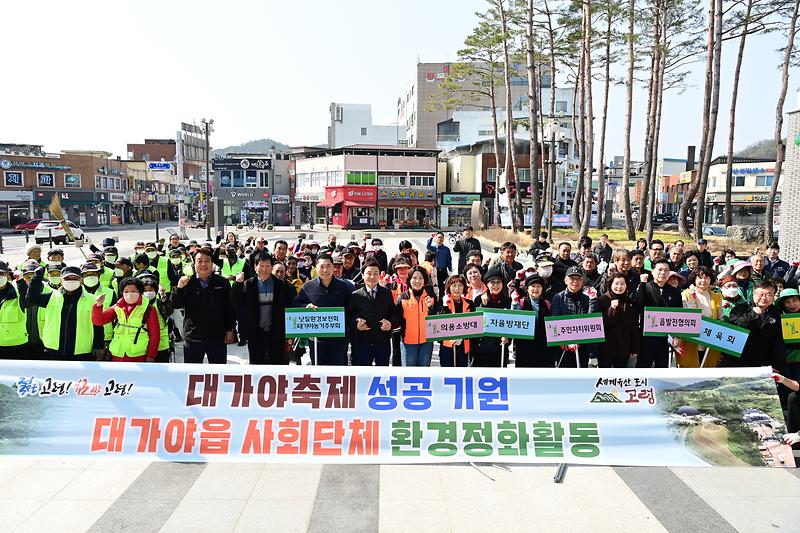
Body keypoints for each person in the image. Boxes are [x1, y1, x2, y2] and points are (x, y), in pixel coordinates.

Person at [22, 265, 103, 361]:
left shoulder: (92, 300)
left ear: (81, 280)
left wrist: (98, 347)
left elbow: (98, 325)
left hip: (81, 352)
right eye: (67, 278)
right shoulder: (51, 297)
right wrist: (36, 278)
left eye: (75, 278)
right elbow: (31, 299)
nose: (71, 280)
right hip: (53, 351)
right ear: (61, 280)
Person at [170, 248, 236, 364]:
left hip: (217, 337)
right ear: (194, 263)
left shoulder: (222, 283)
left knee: (218, 373)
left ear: (212, 263)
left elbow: (229, 309)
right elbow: (175, 304)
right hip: (193, 337)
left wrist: (230, 330)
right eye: (199, 261)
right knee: (193, 373)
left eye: (207, 261)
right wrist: (179, 289)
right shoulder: (187, 283)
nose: (203, 264)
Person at [231, 252, 294, 365]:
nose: (264, 269)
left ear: (271, 267)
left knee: (277, 365)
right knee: (256, 365)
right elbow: (235, 302)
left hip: (276, 333)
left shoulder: (282, 286)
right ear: (255, 267)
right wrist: (237, 284)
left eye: (267, 266)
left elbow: (290, 306)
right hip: (255, 333)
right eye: (261, 265)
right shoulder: (247, 285)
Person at [292, 254, 353, 365]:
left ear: (333, 267)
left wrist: (347, 329)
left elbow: (351, 309)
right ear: (316, 267)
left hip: (339, 340)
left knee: (338, 374)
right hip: (317, 340)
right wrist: (306, 307)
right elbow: (296, 305)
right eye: (321, 266)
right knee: (319, 373)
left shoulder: (344, 287)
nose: (325, 270)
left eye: (328, 266)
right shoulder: (308, 287)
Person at [92, 277, 160, 362]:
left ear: (140, 292)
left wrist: (150, 356)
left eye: (133, 291)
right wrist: (98, 306)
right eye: (126, 291)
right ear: (122, 293)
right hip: (117, 354)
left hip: (138, 355)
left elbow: (155, 335)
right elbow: (98, 321)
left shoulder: (149, 309)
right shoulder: (117, 307)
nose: (129, 294)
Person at [722, 280, 785, 372]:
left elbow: (778, 340)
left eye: (768, 295)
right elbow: (735, 328)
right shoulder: (740, 308)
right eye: (761, 294)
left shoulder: (776, 312)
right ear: (753, 294)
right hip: (741, 360)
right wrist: (753, 314)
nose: (764, 298)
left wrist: (777, 363)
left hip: (765, 361)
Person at [347, 260, 400, 366]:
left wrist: (390, 324)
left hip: (382, 342)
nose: (372, 276)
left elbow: (395, 315)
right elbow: (348, 317)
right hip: (361, 343)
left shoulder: (386, 293)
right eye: (369, 273)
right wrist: (356, 325)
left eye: (376, 273)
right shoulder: (355, 295)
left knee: (382, 375)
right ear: (362, 274)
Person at [636, 259, 682, 368]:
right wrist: (642, 284)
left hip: (665, 338)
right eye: (660, 269)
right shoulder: (645, 287)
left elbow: (678, 314)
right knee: (643, 366)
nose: (663, 273)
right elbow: (639, 306)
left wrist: (677, 336)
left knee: (662, 367)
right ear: (652, 271)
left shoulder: (675, 291)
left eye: (666, 270)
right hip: (647, 337)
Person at [550, 266, 599, 367]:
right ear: (566, 280)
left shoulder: (587, 299)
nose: (575, 282)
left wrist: (593, 301)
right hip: (563, 348)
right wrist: (566, 343)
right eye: (572, 278)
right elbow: (554, 325)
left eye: (578, 279)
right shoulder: (558, 298)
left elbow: (591, 323)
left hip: (582, 348)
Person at [677, 267, 722, 368]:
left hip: (710, 337)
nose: (703, 280)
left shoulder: (716, 296)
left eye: (706, 277)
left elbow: (721, 317)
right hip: (692, 338)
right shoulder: (686, 294)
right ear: (694, 279)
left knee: (707, 365)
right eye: (700, 277)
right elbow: (687, 315)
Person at [396, 266, 439, 366]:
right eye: (414, 278)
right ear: (409, 279)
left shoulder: (431, 297)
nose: (417, 281)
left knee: (423, 373)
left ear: (425, 280)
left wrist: (431, 308)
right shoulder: (403, 297)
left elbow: (437, 318)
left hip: (426, 343)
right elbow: (396, 318)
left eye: (421, 278)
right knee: (409, 375)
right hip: (408, 343)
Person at [596, 272, 640, 368]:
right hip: (606, 348)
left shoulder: (630, 302)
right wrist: (612, 309)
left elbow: (634, 326)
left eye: (622, 284)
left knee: (621, 377)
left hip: (624, 348)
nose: (619, 287)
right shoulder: (602, 300)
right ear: (610, 284)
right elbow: (600, 325)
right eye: (616, 284)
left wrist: (635, 348)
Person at [512, 274, 555, 367]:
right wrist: (514, 303)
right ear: (527, 288)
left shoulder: (547, 304)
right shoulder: (520, 303)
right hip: (525, 349)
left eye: (539, 286)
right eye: (533, 286)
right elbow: (514, 321)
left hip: (544, 350)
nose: (536, 289)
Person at [473, 269, 511, 367]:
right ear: (487, 284)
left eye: (499, 282)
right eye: (492, 282)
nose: (496, 285)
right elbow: (476, 323)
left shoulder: (508, 301)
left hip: (500, 346)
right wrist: (483, 305)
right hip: (482, 348)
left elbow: (512, 323)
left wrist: (508, 339)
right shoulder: (479, 299)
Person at [437, 275, 475, 367]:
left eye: (460, 285)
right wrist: (445, 306)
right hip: (447, 346)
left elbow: (473, 325)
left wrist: (462, 336)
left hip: (463, 345)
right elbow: (438, 324)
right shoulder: (443, 302)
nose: (457, 289)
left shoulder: (470, 304)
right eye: (454, 285)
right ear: (449, 287)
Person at [81, 262, 115, 352]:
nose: (90, 276)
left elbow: (116, 317)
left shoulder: (110, 292)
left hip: (105, 337)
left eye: (93, 274)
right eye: (86, 274)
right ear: (81, 277)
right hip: (82, 337)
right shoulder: (77, 293)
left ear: (99, 275)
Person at [140, 276, 173, 363]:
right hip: (142, 346)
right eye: (145, 290)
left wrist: (164, 299)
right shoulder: (138, 304)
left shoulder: (160, 303)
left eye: (150, 290)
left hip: (161, 346)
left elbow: (168, 312)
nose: (148, 292)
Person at [0, 261, 28, 359]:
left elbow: (27, 300)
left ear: (7, 274)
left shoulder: (18, 293)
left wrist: (20, 282)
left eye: (1, 274)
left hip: (16, 346)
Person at [777, 288, 800, 383]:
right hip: (787, 361)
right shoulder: (778, 319)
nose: (792, 304)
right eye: (787, 302)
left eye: (795, 300)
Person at [426, 231, 452, 296]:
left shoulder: (446, 249)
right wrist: (431, 238)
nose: (440, 239)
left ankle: (441, 299)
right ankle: (435, 298)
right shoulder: (433, 248)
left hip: (443, 270)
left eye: (441, 237)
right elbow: (428, 246)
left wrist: (450, 268)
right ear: (436, 238)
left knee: (443, 286)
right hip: (435, 270)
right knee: (435, 285)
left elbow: (449, 259)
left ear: (443, 238)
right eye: (439, 237)